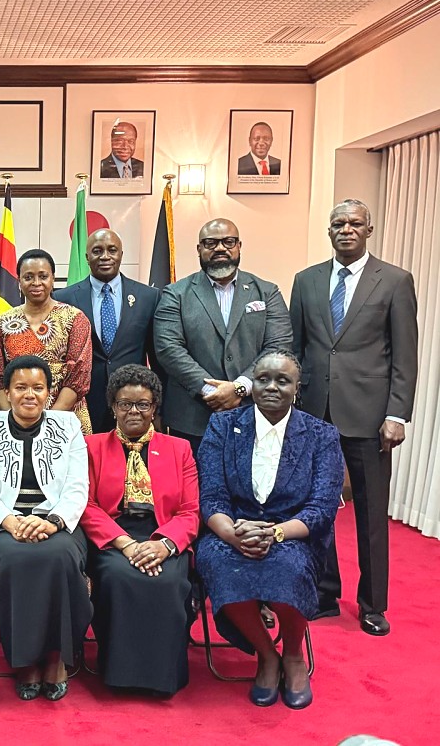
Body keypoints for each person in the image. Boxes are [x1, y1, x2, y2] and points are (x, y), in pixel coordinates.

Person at [290, 199, 418, 636]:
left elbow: (405, 355)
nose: (346, 229)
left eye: (354, 224)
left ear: (369, 229)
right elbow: (297, 349)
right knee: (316, 508)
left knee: (370, 511)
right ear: (329, 231)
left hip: (370, 415)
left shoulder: (395, 281)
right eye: (338, 223)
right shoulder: (306, 281)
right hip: (313, 413)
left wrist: (397, 413)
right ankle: (324, 593)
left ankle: (372, 604)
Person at [195, 351, 344, 710]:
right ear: (252, 385)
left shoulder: (321, 435)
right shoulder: (223, 426)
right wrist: (232, 534)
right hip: (234, 527)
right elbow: (211, 495)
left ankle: (292, 654)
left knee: (288, 568)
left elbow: (322, 509)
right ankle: (266, 654)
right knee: (220, 564)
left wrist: (275, 534)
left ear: (297, 387)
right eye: (263, 379)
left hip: (294, 533)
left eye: (283, 380)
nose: (272, 387)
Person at [0, 355, 92, 701]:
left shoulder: (68, 425)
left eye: (38, 388)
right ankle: (26, 660)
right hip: (7, 524)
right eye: (20, 387)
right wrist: (10, 522)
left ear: (49, 393)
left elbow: (77, 486)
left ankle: (56, 657)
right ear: (6, 391)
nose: (29, 395)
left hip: (58, 522)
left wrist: (52, 522)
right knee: (14, 560)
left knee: (60, 558)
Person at [82, 364, 199, 696]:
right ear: (113, 406)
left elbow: (190, 511)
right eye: (125, 404)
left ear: (154, 407)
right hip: (113, 538)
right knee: (120, 577)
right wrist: (126, 545)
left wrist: (164, 546)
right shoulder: (92, 447)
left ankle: (162, 677)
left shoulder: (180, 450)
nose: (133, 411)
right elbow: (86, 507)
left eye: (142, 404)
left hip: (162, 533)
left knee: (167, 580)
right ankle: (119, 673)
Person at [153, 218, 292, 454]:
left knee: (250, 489)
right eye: (211, 242)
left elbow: (278, 347)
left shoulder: (267, 292)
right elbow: (169, 349)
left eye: (228, 241)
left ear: (239, 246)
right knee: (196, 489)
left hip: (254, 413)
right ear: (199, 249)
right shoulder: (175, 294)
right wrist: (212, 392)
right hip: (192, 419)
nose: (220, 248)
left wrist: (239, 387)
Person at [55, 229, 160, 433]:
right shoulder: (64, 298)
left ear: (121, 254)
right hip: (83, 402)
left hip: (132, 404)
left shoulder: (148, 297)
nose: (105, 256)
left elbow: (157, 359)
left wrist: (158, 408)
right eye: (97, 251)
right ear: (87, 257)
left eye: (112, 250)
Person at [0, 248, 93, 435]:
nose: (36, 283)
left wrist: (48, 423)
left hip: (66, 419)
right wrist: (16, 422)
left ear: (53, 279)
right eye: (28, 277)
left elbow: (79, 377)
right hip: (14, 424)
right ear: (19, 281)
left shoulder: (75, 319)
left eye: (43, 276)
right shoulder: (3, 323)